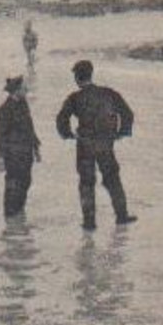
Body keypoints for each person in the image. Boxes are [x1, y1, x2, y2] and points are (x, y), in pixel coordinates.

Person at [55, 60, 137, 229]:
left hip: (85, 145)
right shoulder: (109, 93)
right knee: (113, 179)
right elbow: (127, 113)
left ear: (77, 78)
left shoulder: (74, 98)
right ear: (91, 74)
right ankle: (122, 216)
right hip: (105, 144)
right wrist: (121, 133)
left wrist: (68, 135)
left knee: (86, 183)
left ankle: (89, 222)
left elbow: (61, 118)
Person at [0, 75, 41, 218]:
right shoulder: (4, 110)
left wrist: (36, 148)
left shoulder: (23, 104)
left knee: (26, 181)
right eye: (23, 88)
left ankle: (19, 212)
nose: (26, 90)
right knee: (13, 184)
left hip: (26, 153)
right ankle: (10, 216)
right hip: (12, 155)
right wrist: (0, 157)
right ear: (16, 90)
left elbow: (30, 128)